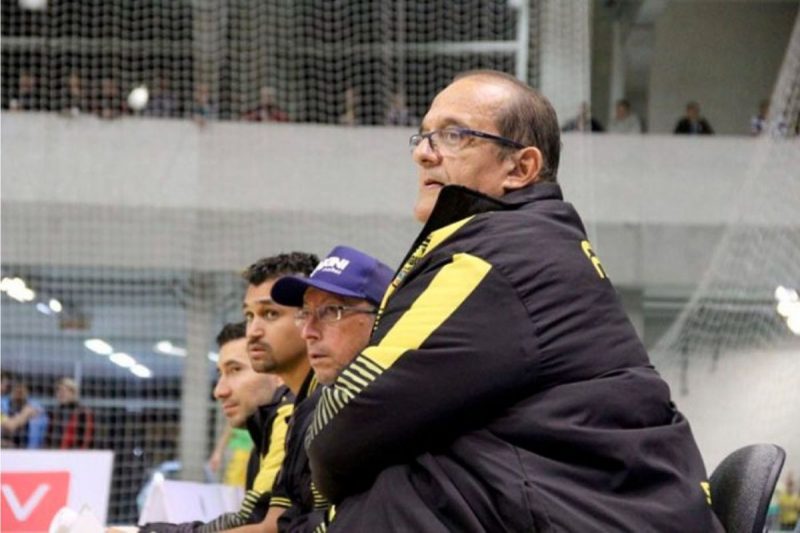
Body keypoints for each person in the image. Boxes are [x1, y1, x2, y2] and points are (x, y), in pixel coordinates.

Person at [306, 69, 723, 532]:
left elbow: (340, 426)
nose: (424, 153)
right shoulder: (533, 243)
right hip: (624, 511)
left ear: (521, 168)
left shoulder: (494, 258)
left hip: (601, 517)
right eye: (423, 136)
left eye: (453, 135)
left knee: (400, 493)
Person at [140, 322, 288, 533]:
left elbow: (260, 525)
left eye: (235, 370)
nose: (219, 390)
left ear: (279, 372)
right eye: (220, 373)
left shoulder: (288, 421)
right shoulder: (262, 440)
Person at [227, 252, 322, 533]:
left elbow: (268, 527)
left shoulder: (326, 405)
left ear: (310, 317)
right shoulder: (296, 411)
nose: (253, 331)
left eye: (270, 314)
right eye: (248, 316)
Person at [46, 377, 95, 449]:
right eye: (58, 390)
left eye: (64, 391)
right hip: (55, 453)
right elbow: (49, 436)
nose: (60, 393)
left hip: (75, 454)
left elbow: (87, 438)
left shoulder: (83, 412)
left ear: (73, 393)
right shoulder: (55, 413)